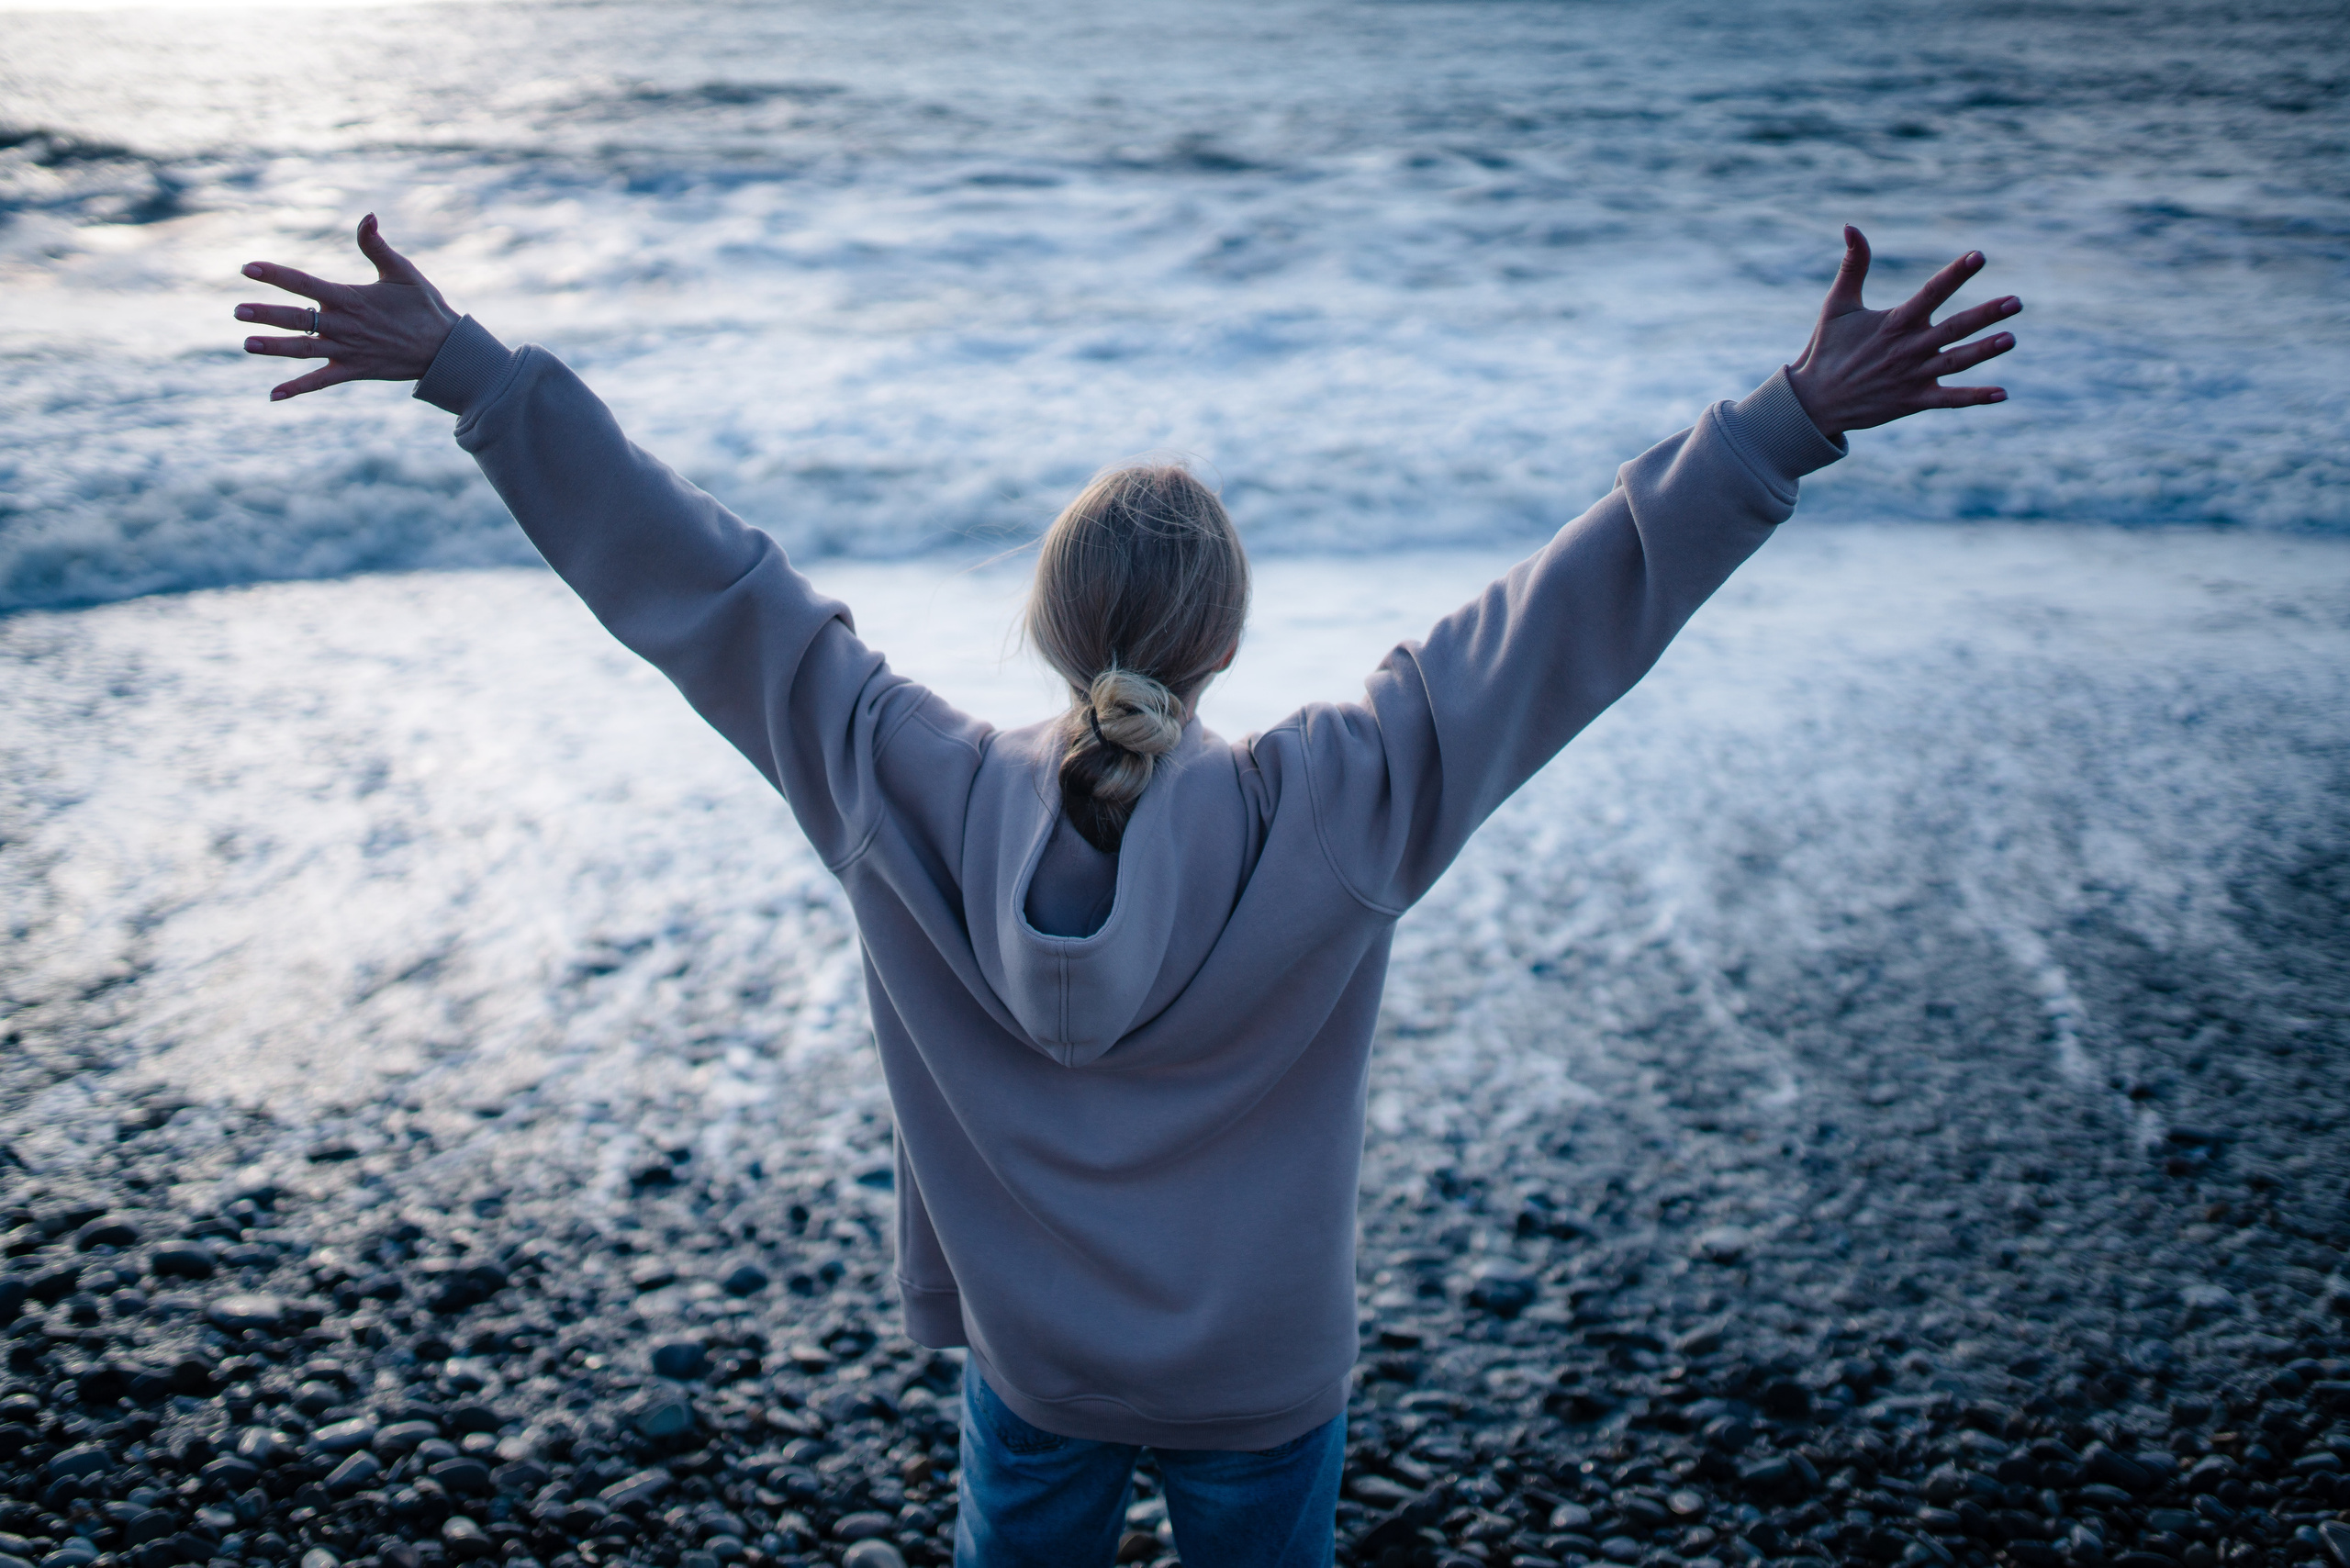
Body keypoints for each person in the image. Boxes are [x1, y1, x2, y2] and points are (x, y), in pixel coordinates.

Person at [234, 216, 2019, 1568]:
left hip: (1039, 1364)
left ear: (1047, 626)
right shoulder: (1343, 796)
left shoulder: (889, 777)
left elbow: (701, 584)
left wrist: (471, 369)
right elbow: (1549, 631)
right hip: (1262, 1373)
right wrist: (1781, 424)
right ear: (1224, 639)